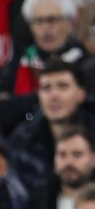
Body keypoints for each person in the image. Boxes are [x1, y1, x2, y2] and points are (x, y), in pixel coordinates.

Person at [0, 0, 87, 132]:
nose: (45, 28)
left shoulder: (86, 64)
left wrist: (20, 102)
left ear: (69, 24)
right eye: (38, 21)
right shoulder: (22, 60)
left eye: (52, 20)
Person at [7, 59, 91, 195]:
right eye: (46, 88)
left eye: (63, 86)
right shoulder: (23, 139)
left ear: (81, 94)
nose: (54, 95)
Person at [24, 125, 95, 209]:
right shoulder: (40, 203)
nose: (68, 162)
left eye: (77, 154)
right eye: (62, 155)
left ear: (93, 159)